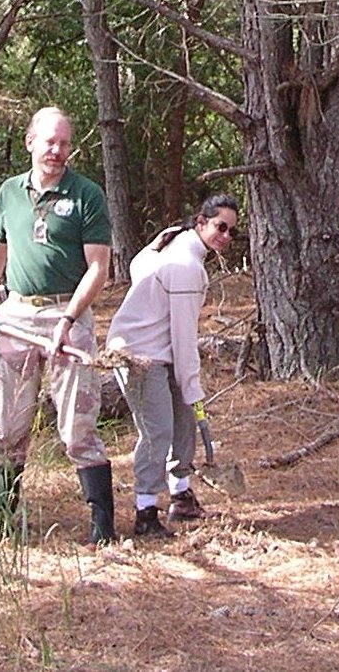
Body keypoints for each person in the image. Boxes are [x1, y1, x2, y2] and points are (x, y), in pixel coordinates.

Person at [0, 106, 116, 546]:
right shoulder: (9, 193)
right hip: (16, 316)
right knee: (9, 424)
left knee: (77, 426)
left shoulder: (86, 195)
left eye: (64, 143)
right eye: (49, 141)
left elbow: (99, 268)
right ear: (30, 142)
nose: (57, 151)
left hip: (68, 315)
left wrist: (68, 319)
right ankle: (3, 520)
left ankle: (103, 529)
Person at [106, 194, 239, 538]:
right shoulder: (186, 266)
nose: (225, 236)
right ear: (201, 222)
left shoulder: (173, 242)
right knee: (158, 430)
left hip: (161, 350)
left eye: (231, 232)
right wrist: (192, 385)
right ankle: (146, 511)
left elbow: (138, 266)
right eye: (220, 227)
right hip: (137, 354)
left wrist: (188, 392)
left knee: (183, 419)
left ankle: (181, 496)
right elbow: (184, 336)